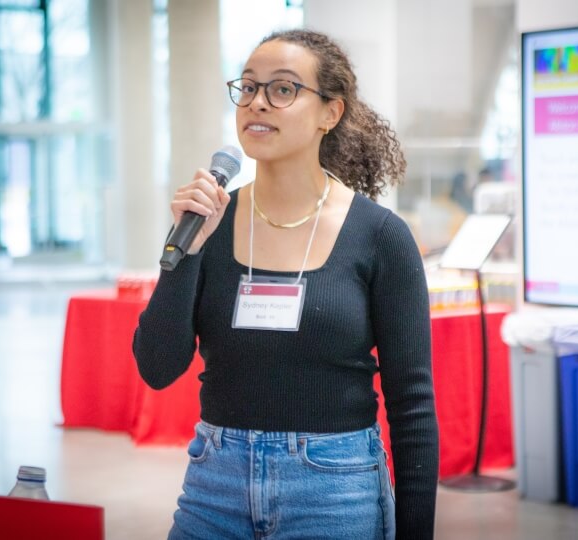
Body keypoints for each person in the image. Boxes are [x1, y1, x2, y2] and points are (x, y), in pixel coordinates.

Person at [133, 29, 438, 539]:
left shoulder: (380, 236)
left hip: (335, 488)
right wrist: (185, 252)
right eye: (248, 87)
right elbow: (157, 367)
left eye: (283, 89)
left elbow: (412, 402)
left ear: (330, 113)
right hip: (215, 483)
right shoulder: (208, 223)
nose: (258, 103)